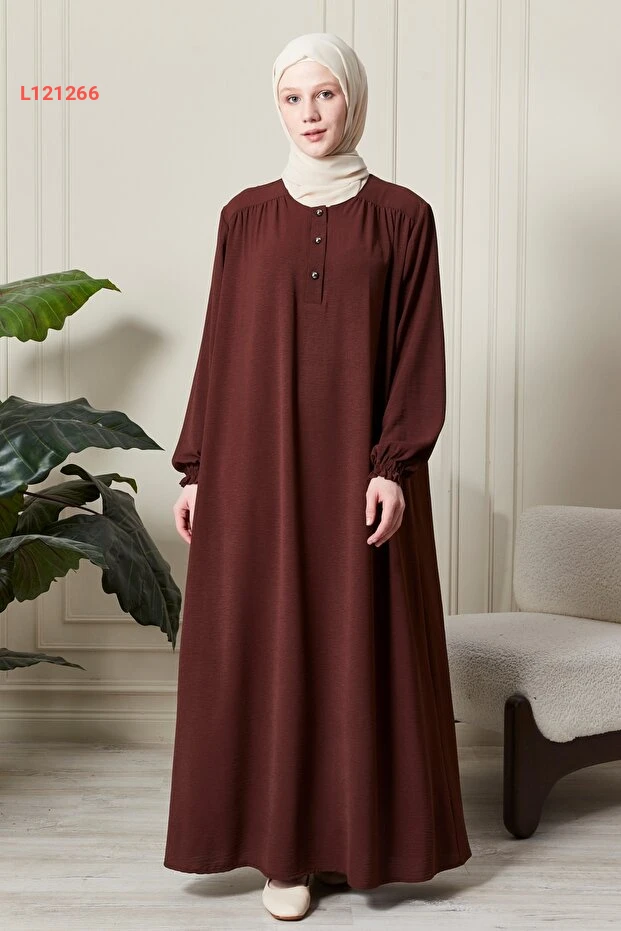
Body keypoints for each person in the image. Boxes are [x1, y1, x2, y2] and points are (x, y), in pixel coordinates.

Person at [164, 32, 472, 922]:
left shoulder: (404, 216)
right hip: (254, 471)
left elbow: (417, 346)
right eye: (293, 97)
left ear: (354, 100)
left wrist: (394, 465)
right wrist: (197, 466)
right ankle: (282, 852)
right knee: (268, 643)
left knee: (355, 643)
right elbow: (220, 345)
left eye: (325, 94)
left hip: (356, 472)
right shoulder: (244, 217)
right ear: (277, 106)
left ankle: (356, 841)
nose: (309, 113)